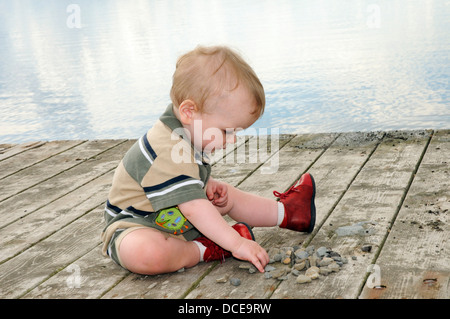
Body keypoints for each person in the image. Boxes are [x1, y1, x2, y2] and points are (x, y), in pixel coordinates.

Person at [101, 45, 316, 275]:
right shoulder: (167, 145)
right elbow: (193, 207)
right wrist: (237, 243)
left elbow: (186, 178)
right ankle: (204, 248)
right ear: (189, 111)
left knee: (224, 195)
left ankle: (289, 212)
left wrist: (206, 181)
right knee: (146, 253)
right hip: (136, 226)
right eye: (227, 131)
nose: (232, 140)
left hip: (174, 222)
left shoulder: (187, 131)